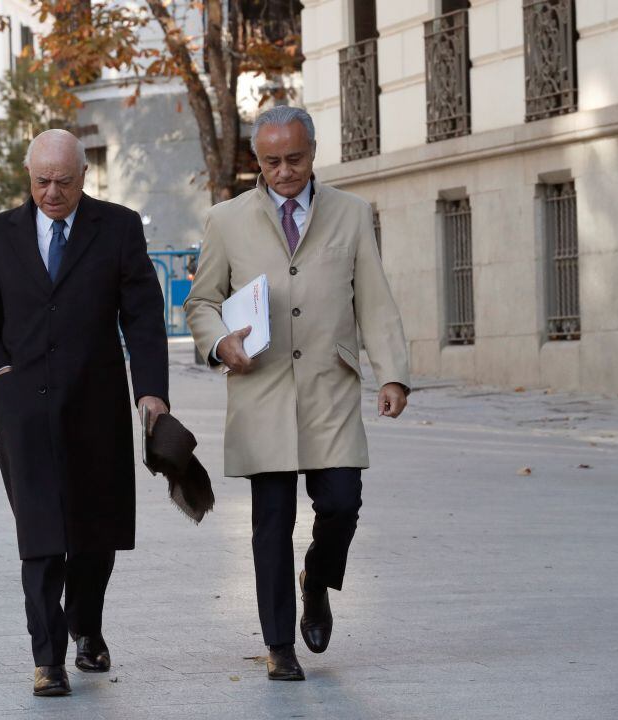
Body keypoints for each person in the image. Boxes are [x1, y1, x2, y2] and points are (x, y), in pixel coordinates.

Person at [184, 106, 410, 681]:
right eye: (271, 161)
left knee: (340, 504)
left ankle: (318, 578)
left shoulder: (354, 214)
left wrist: (392, 373)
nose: (284, 171)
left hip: (331, 387)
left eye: (295, 159)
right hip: (261, 389)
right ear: (257, 162)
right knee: (271, 520)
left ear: (313, 152)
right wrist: (219, 344)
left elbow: (375, 300)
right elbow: (202, 301)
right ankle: (279, 645)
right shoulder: (225, 220)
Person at [0, 129, 169, 697]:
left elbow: (144, 317)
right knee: (42, 536)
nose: (52, 193)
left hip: (96, 405)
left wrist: (150, 391)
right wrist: (0, 376)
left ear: (84, 176)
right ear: (28, 177)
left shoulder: (118, 227)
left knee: (95, 536)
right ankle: (48, 658)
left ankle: (86, 623)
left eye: (64, 181)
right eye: (41, 181)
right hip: (24, 411)